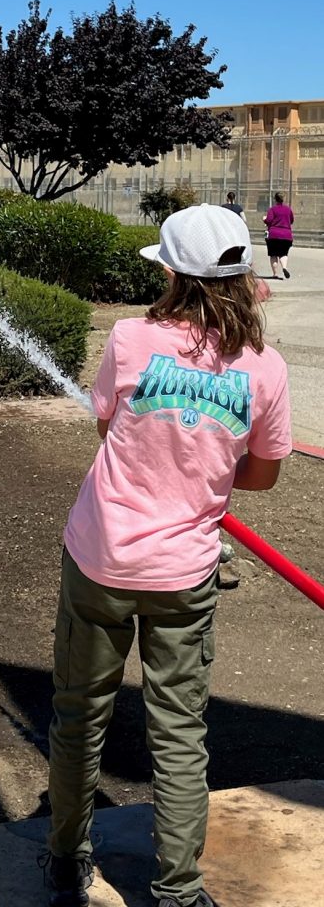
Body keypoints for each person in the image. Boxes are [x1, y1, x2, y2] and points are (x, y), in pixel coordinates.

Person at [44, 204, 292, 907]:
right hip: (185, 571)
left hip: (101, 557)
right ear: (246, 276)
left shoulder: (128, 339)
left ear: (170, 271)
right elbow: (264, 473)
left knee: (79, 714)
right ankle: (178, 892)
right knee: (179, 733)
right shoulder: (264, 368)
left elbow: (107, 427)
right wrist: (208, 474)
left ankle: (66, 859)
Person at [263, 192, 294, 279]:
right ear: (283, 199)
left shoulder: (272, 209)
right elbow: (291, 220)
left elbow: (269, 220)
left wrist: (264, 219)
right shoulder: (288, 209)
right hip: (286, 235)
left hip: (274, 234)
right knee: (283, 254)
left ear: (275, 199)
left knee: (273, 255)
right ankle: (284, 267)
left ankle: (275, 274)